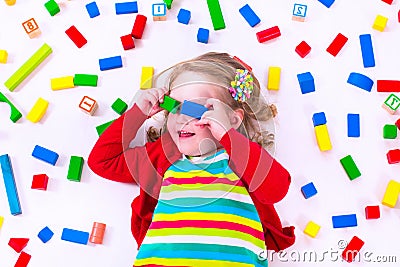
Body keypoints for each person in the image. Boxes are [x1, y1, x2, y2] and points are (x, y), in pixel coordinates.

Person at [88, 52, 295, 266]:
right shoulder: (162, 154)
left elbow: (277, 188)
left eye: (196, 110)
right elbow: (102, 161)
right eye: (173, 108)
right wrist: (138, 114)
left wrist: (229, 138)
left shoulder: (242, 157)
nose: (182, 118)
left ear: (232, 119)